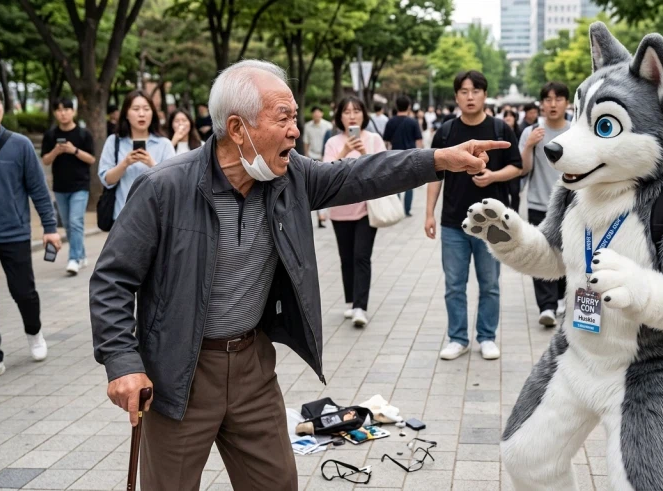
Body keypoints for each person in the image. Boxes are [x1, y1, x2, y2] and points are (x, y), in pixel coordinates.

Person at [89, 60, 503, 490]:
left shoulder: (289, 178)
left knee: (277, 483)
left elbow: (360, 174)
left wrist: (439, 159)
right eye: (282, 117)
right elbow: (112, 279)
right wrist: (123, 364)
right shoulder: (164, 188)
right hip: (179, 372)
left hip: (252, 367)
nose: (294, 130)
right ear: (237, 128)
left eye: (295, 117)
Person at [426, 70, 522, 361]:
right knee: (454, 284)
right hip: (454, 222)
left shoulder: (499, 129)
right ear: (456, 97)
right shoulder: (445, 132)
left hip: (492, 224)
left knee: (490, 284)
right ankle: (458, 338)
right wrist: (428, 213)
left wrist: (493, 176)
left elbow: (517, 167)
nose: (470, 96)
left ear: (484, 94)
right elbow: (434, 175)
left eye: (476, 91)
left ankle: (487, 337)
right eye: (464, 91)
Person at [0, 81, 61, 384]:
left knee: (24, 293)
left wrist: (50, 228)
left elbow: (39, 190)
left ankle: (34, 331)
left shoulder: (19, 145)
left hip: (13, 234)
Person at [323, 96, 387, 327]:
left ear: (364, 115)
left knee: (361, 256)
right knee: (346, 258)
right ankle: (351, 301)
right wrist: (345, 150)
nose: (352, 115)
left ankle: (360, 306)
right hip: (340, 210)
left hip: (366, 209)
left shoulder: (374, 139)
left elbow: (382, 171)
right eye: (347, 111)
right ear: (340, 116)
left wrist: (362, 154)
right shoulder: (332, 143)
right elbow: (326, 174)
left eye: (357, 110)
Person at [518, 82, 571, 327]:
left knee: (568, 254)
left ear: (566, 103)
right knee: (541, 254)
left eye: (558, 99)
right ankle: (547, 306)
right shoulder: (532, 132)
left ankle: (561, 297)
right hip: (539, 202)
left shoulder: (575, 131)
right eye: (547, 99)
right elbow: (523, 169)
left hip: (571, 204)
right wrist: (529, 144)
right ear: (541, 104)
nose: (552, 104)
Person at [98, 90, 175, 222]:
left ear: (152, 114)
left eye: (146, 109)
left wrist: (152, 164)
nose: (141, 114)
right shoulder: (114, 141)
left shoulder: (164, 144)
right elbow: (106, 180)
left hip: (155, 219)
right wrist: (125, 163)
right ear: (126, 114)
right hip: (122, 218)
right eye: (135, 109)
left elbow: (173, 182)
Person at [41, 98, 96, 275]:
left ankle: (73, 259)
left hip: (80, 185)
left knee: (75, 221)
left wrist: (74, 151)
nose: (63, 113)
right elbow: (45, 160)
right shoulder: (50, 135)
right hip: (60, 187)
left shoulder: (83, 134)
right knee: (68, 225)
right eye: (59, 110)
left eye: (66, 109)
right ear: (55, 113)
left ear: (73, 112)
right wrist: (56, 151)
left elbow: (92, 159)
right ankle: (82, 254)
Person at [384, 96, 423, 216]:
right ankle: (407, 210)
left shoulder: (390, 121)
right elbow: (419, 141)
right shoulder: (413, 122)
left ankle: (397, 209)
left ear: (396, 106)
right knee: (410, 184)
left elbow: (386, 141)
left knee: (396, 184)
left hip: (394, 155)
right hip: (410, 155)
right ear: (409, 107)